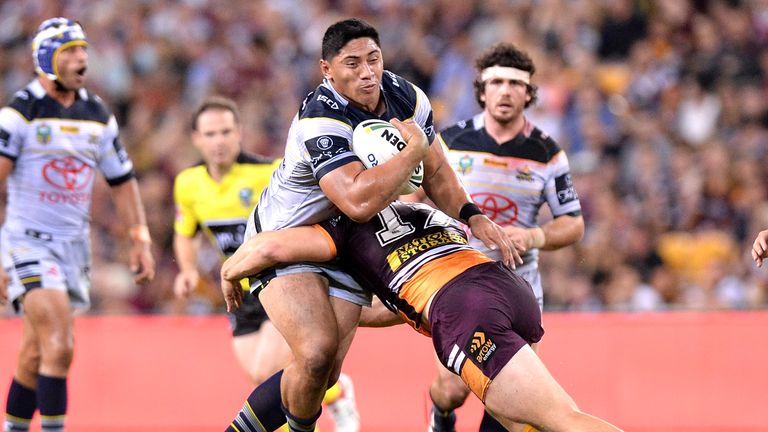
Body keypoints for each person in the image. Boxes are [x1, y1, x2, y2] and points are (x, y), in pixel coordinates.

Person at [229, 18, 519, 432]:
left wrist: (472, 215)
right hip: (288, 235)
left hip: (346, 241)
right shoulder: (320, 118)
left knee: (323, 373)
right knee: (315, 352)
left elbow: (436, 173)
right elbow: (357, 200)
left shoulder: (407, 98)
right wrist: (412, 151)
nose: (367, 73)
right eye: (352, 63)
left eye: (374, 59)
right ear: (327, 69)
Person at [220, 201, 622, 432]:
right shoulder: (420, 209)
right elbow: (406, 301)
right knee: (522, 422)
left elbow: (268, 248)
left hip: (465, 308)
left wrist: (229, 271)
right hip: (508, 288)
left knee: (563, 419)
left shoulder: (340, 224)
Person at [0, 18, 155, 432]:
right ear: (46, 58)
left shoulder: (98, 115)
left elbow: (122, 182)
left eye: (83, 49)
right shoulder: (20, 114)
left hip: (73, 249)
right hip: (25, 244)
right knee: (61, 344)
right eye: (70, 51)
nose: (82, 58)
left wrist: (139, 239)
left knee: (35, 352)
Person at [172, 96, 360, 431]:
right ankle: (333, 391)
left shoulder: (269, 173)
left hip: (280, 281)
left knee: (276, 368)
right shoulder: (188, 184)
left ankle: (317, 407)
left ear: (239, 133)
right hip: (241, 294)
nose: (219, 141)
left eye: (226, 132)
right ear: (196, 139)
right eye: (211, 134)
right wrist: (187, 269)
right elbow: (185, 232)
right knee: (259, 373)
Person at [426, 42, 585, 432]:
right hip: (460, 283)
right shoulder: (450, 142)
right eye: (496, 81)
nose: (506, 90)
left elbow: (573, 223)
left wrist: (533, 236)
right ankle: (441, 415)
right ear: (481, 89)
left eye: (516, 83)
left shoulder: (547, 153)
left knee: (513, 409)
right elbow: (415, 196)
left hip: (519, 288)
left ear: (529, 94)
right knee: (452, 389)